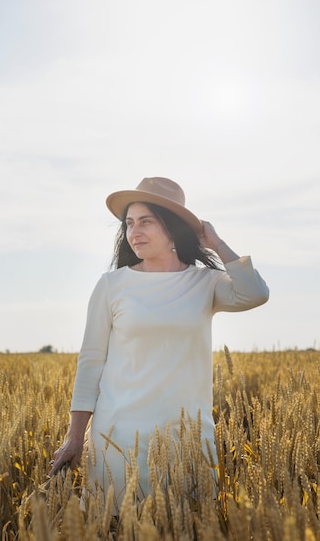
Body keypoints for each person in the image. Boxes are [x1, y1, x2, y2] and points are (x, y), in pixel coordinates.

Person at [50, 176, 269, 509]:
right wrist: (75, 436)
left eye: (146, 222)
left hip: (187, 439)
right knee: (115, 526)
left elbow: (255, 293)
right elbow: (91, 362)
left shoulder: (204, 282)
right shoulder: (112, 285)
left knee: (189, 525)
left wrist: (216, 243)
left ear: (173, 229)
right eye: (129, 223)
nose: (134, 232)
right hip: (118, 438)